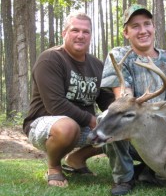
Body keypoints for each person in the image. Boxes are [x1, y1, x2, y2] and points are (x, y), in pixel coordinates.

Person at [101, 4, 166, 196]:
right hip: (134, 137)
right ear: (126, 32)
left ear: (154, 27)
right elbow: (123, 98)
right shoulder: (120, 56)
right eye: (135, 26)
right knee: (110, 118)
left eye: (147, 24)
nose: (143, 30)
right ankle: (124, 178)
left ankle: (148, 173)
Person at [23, 12, 114, 187]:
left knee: (117, 129)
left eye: (86, 32)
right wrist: (92, 120)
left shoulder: (96, 65)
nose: (80, 35)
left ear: (90, 36)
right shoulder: (50, 59)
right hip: (44, 124)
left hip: (83, 127)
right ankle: (54, 167)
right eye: (75, 30)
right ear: (64, 33)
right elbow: (55, 104)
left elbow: (106, 101)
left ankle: (76, 159)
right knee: (68, 126)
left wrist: (125, 112)